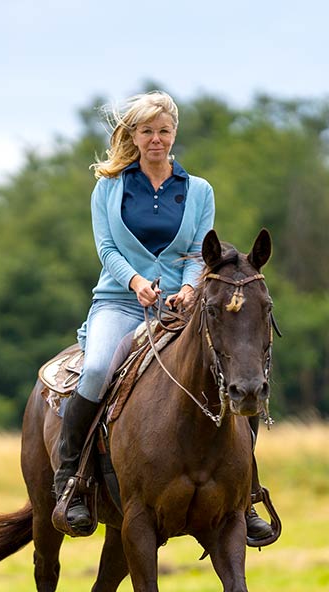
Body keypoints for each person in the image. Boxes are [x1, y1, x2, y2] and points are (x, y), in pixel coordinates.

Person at [51, 91, 275, 545]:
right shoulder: (109, 188)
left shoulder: (198, 190)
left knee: (238, 370)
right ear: (133, 136)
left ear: (174, 135)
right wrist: (136, 283)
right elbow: (107, 250)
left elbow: (199, 252)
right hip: (119, 301)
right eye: (147, 131)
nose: (156, 139)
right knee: (95, 371)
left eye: (164, 131)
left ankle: (246, 493)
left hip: (182, 304)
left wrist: (190, 287)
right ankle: (70, 480)